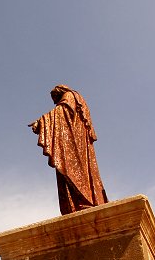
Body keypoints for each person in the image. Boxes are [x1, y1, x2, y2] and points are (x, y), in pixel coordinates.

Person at [29, 84, 108, 214]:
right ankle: (78, 202)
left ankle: (85, 199)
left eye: (55, 98)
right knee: (68, 171)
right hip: (72, 141)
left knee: (73, 169)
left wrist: (41, 121)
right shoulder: (74, 99)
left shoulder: (70, 96)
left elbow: (63, 110)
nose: (55, 102)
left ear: (60, 92)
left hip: (74, 144)